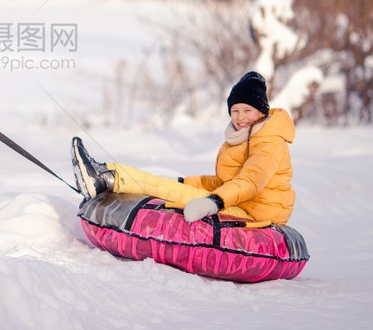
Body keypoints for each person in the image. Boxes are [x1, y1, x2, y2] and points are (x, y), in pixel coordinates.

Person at [72, 71, 295, 225]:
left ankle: (109, 177)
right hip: (241, 203)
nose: (240, 118)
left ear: (261, 112)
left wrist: (214, 201)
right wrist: (184, 181)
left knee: (179, 195)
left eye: (247, 110)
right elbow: (223, 182)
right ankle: (108, 178)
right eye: (235, 111)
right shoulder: (242, 138)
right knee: (176, 187)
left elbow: (251, 181)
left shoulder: (269, 141)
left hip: (258, 213)